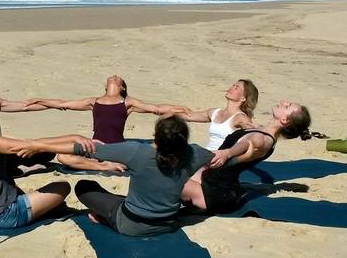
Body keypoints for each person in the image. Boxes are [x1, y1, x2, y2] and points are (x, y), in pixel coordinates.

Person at [66, 116, 213, 236]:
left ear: (156, 136)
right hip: (168, 224)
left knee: (84, 186)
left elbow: (81, 149)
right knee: (121, 200)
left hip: (130, 226)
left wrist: (49, 144)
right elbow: (220, 157)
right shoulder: (195, 154)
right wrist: (225, 153)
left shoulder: (137, 152)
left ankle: (105, 220)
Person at [25, 74, 188, 171]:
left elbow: (156, 109)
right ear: (106, 86)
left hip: (118, 148)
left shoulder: (127, 102)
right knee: (63, 157)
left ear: (122, 88)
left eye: (118, 78)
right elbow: (64, 104)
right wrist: (40, 100)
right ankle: (102, 165)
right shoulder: (93, 101)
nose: (114, 76)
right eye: (113, 77)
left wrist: (179, 109)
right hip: (95, 146)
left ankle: (104, 163)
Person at [183, 100, 311, 214]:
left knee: (172, 181)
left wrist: (228, 152)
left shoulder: (264, 140)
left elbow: (249, 143)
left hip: (214, 193)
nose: (284, 102)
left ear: (284, 120)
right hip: (208, 180)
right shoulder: (262, 130)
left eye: (287, 106)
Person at [178, 79, 259, 149]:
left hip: (221, 157)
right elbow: (189, 116)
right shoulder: (214, 112)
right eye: (233, 85)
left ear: (243, 98)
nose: (231, 88)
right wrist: (171, 110)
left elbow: (254, 137)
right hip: (207, 153)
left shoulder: (241, 117)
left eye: (236, 88)